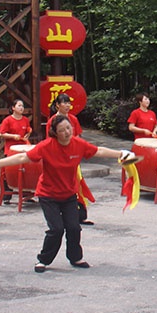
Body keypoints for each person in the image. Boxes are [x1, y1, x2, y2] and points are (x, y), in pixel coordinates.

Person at [0, 115, 134, 273]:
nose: (67, 132)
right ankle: (43, 260)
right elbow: (23, 157)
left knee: (74, 228)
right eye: (62, 130)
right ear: (55, 133)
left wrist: (121, 154)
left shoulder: (78, 144)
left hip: (69, 194)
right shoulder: (46, 146)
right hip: (48, 195)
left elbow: (99, 151)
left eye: (68, 128)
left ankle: (75, 258)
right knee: (56, 229)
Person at [48, 93, 89, 223]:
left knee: (76, 184)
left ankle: (79, 214)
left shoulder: (73, 119)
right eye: (64, 103)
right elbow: (50, 142)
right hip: (58, 160)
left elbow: (78, 137)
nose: (67, 105)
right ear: (57, 105)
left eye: (69, 103)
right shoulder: (52, 121)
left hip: (73, 158)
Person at [0, 99, 32, 205]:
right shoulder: (8, 120)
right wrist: (13, 136)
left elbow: (28, 129)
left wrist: (28, 134)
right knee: (8, 173)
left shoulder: (25, 119)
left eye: (22, 106)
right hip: (11, 149)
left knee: (25, 171)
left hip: (23, 148)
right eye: (19, 106)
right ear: (13, 108)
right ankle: (7, 196)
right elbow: (1, 133)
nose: (21, 108)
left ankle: (26, 193)